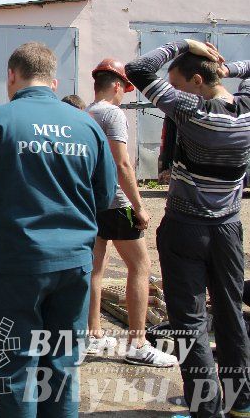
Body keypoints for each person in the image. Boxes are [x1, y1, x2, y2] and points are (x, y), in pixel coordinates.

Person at [0, 42, 117, 417]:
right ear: (54, 81)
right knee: (62, 368)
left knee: (12, 369)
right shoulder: (87, 125)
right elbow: (104, 198)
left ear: (11, 75)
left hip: (15, 267)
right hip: (74, 266)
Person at [125, 39, 250, 417]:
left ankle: (205, 408)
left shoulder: (190, 111)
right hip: (228, 228)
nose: (172, 90)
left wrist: (182, 43)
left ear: (197, 80)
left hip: (185, 228)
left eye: (177, 83)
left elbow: (137, 69)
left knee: (190, 322)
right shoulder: (246, 110)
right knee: (230, 313)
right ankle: (241, 402)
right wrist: (229, 69)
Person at [83, 59, 176, 367]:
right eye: (125, 89)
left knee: (95, 268)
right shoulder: (113, 114)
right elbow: (122, 165)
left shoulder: (85, 114)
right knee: (140, 266)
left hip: (93, 203)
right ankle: (138, 343)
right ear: (118, 85)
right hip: (116, 203)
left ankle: (91, 336)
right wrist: (139, 206)